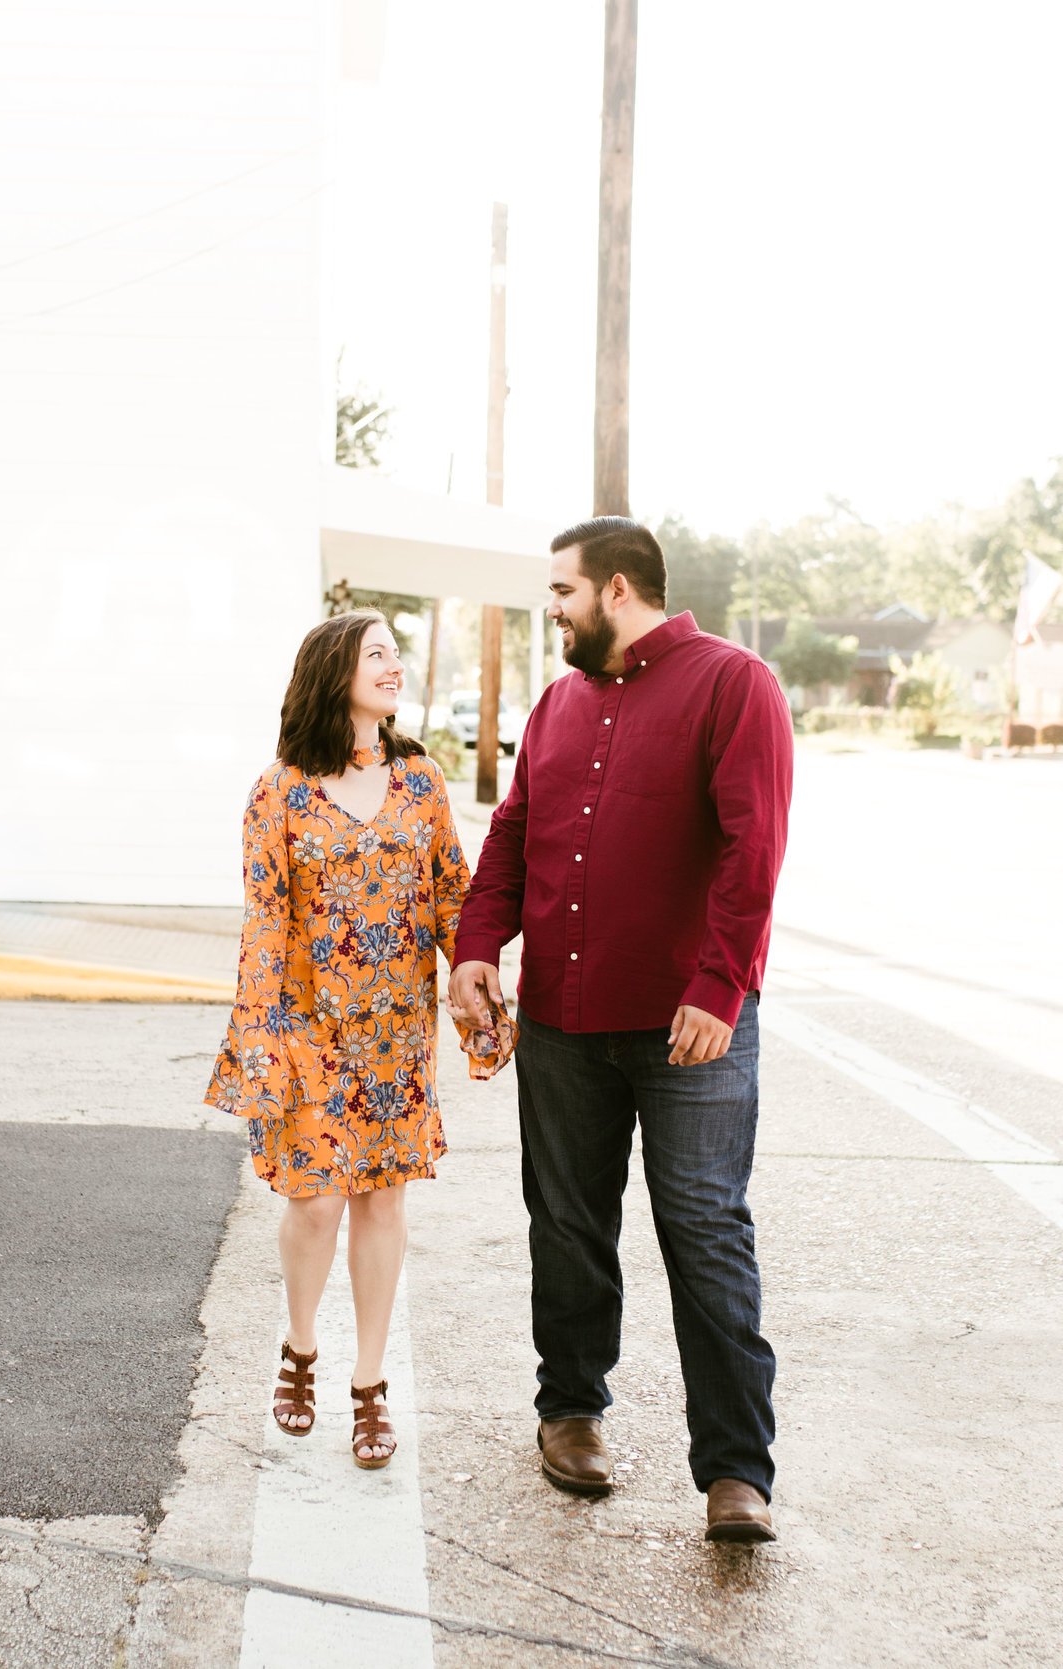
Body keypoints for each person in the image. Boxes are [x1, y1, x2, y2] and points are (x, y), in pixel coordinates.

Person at [450, 517, 793, 1544]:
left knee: (704, 1231)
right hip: (561, 1018)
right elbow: (517, 830)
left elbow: (752, 846)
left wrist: (717, 985)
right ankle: (571, 1413)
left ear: (614, 588)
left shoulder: (734, 684)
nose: (548, 609)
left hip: (691, 1026)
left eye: (559, 591)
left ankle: (736, 1470)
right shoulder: (557, 702)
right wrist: (477, 945)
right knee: (565, 1225)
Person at [206, 610, 478, 1470]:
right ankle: (299, 1347)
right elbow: (265, 924)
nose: (394, 666)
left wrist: (477, 978)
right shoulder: (279, 790)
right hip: (307, 1027)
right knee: (316, 1200)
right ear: (335, 671)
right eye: (376, 654)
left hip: (396, 1033)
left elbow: (450, 896)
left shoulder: (423, 782)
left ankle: (368, 1385)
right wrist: (261, 1036)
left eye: (398, 652)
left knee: (382, 1201)